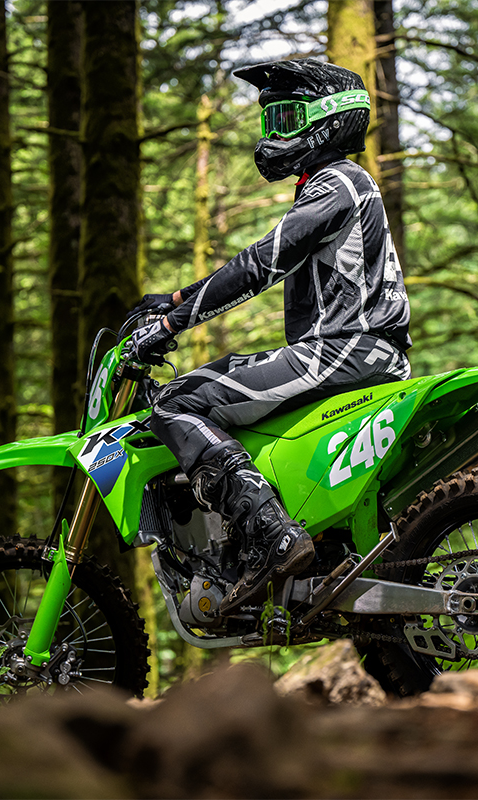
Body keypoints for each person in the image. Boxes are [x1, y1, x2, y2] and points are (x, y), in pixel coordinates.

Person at [127, 58, 411, 615]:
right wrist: (177, 299)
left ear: (327, 120)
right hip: (353, 351)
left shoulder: (340, 182)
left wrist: (170, 324)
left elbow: (262, 262)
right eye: (270, 121)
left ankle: (272, 535)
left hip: (345, 350)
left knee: (179, 401)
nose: (272, 135)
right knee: (221, 383)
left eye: (285, 119)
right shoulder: (337, 187)